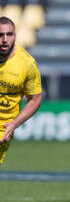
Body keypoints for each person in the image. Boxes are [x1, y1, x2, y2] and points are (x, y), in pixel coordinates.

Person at [0, 17, 42, 163]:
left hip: (3, 129)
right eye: (0, 35)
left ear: (15, 36)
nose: (4, 39)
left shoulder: (27, 64)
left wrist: (14, 124)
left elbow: (35, 99)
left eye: (9, 34)